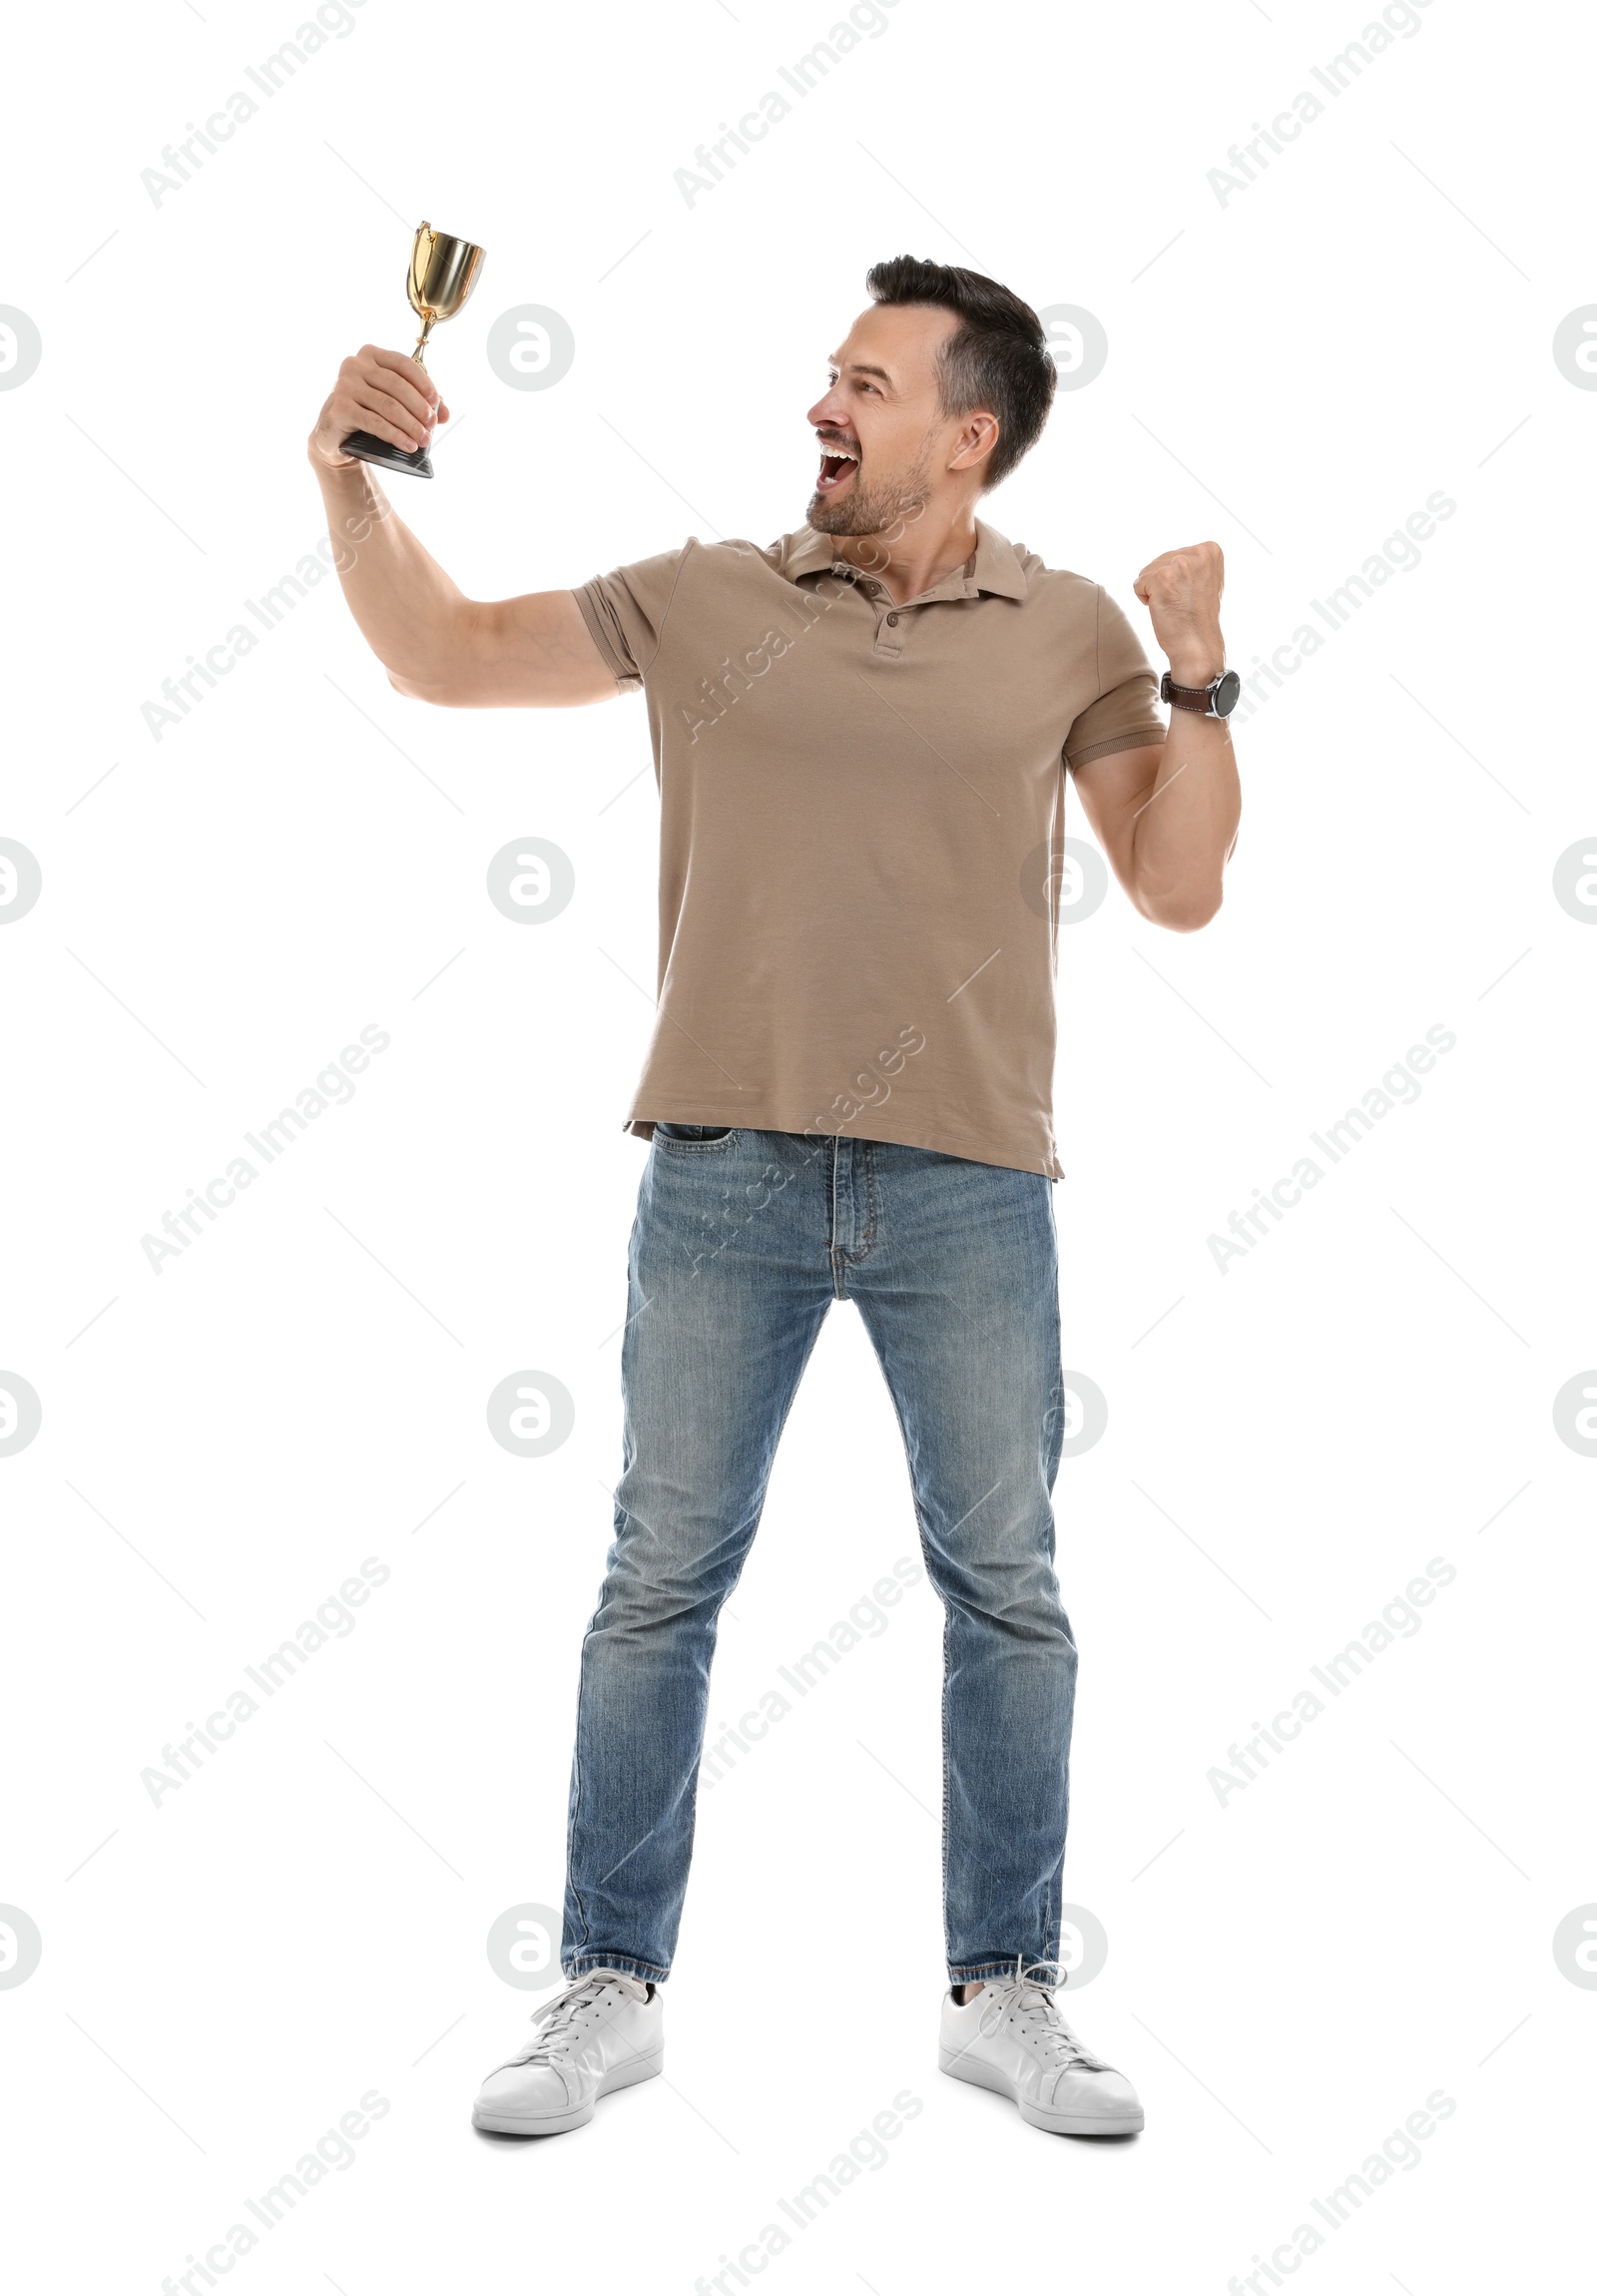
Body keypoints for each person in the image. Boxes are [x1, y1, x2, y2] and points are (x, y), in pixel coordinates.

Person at [307, 254, 1242, 2142]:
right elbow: (447, 652)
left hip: (974, 1177)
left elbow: (1181, 881)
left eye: (869, 384)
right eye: (827, 373)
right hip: (724, 1161)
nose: (825, 402)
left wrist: (1201, 668)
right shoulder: (711, 595)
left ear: (968, 437)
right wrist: (345, 482)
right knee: (660, 1582)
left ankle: (1006, 1985)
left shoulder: (1068, 633)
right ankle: (608, 1981)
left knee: (1011, 1590)